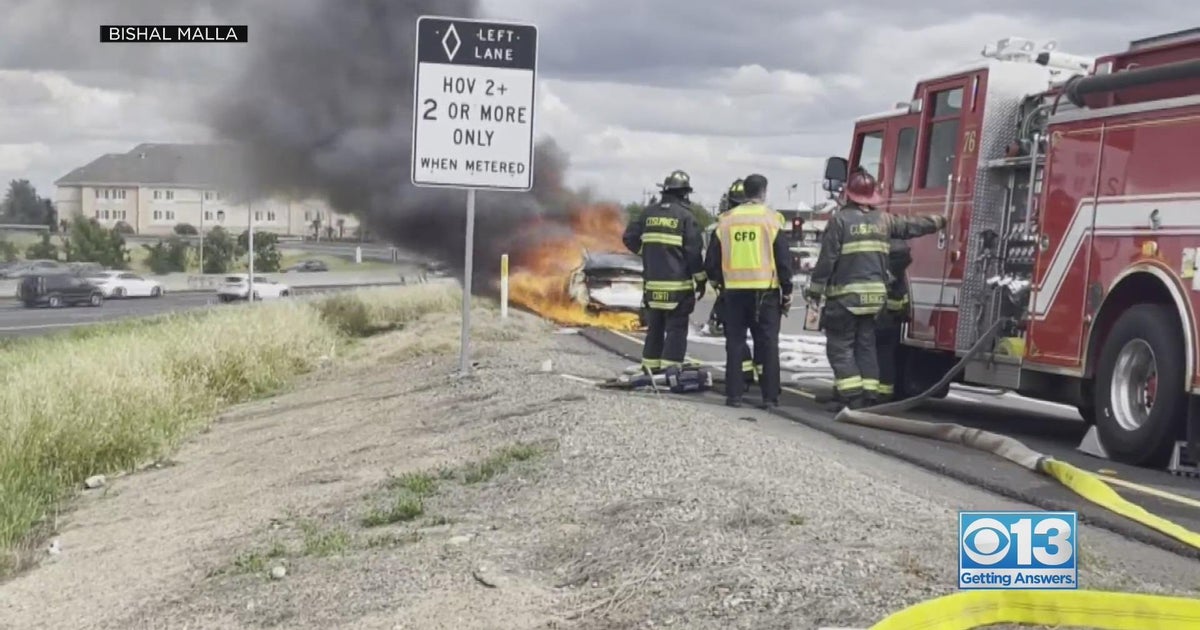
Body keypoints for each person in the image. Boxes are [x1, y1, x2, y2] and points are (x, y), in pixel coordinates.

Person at [805, 168, 944, 411]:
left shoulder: (840, 221)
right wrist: (940, 220)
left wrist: (815, 292)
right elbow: (911, 225)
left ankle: (852, 398)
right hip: (875, 300)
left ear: (849, 195)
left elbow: (827, 260)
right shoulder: (884, 220)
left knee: (840, 347)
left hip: (845, 298)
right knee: (866, 345)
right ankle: (870, 395)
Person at [705, 173, 793, 408]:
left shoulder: (726, 221)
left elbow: (711, 262)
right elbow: (783, 259)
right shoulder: (772, 220)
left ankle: (734, 395)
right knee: (767, 343)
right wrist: (788, 290)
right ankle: (770, 397)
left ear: (744, 193)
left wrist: (719, 284)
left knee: (735, 342)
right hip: (766, 291)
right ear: (763, 192)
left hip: (733, 292)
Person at [623, 169, 707, 375]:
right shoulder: (686, 217)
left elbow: (629, 238)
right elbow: (693, 252)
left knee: (655, 329)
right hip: (678, 288)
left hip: (652, 287)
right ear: (684, 193)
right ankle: (671, 371)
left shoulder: (648, 214)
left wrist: (647, 253)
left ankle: (650, 368)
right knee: (676, 330)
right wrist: (701, 279)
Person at [876, 239, 913, 402]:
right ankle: (884, 391)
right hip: (893, 317)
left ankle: (870, 392)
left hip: (879, 316)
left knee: (870, 352)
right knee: (886, 354)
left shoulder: (882, 265)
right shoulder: (897, 270)